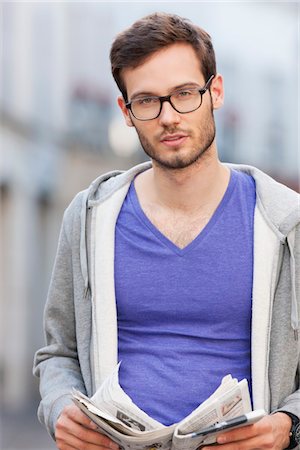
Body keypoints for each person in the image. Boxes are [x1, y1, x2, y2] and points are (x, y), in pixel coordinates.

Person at [33, 12, 300, 450]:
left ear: (215, 91)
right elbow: (58, 354)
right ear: (126, 111)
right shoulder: (88, 217)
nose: (168, 116)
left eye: (184, 94)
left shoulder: (285, 221)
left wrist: (289, 426)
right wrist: (61, 406)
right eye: (147, 101)